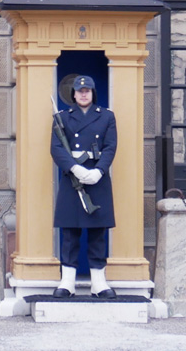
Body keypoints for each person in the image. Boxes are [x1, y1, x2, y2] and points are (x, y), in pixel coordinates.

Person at [50, 75, 118, 299]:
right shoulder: (63, 118)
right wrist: (74, 169)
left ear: (93, 92)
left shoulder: (106, 116)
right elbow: (57, 148)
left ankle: (98, 283)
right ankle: (67, 282)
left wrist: (99, 170)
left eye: (87, 90)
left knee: (97, 233)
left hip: (97, 180)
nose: (83, 94)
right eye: (80, 91)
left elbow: (110, 146)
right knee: (70, 232)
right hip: (73, 180)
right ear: (74, 94)